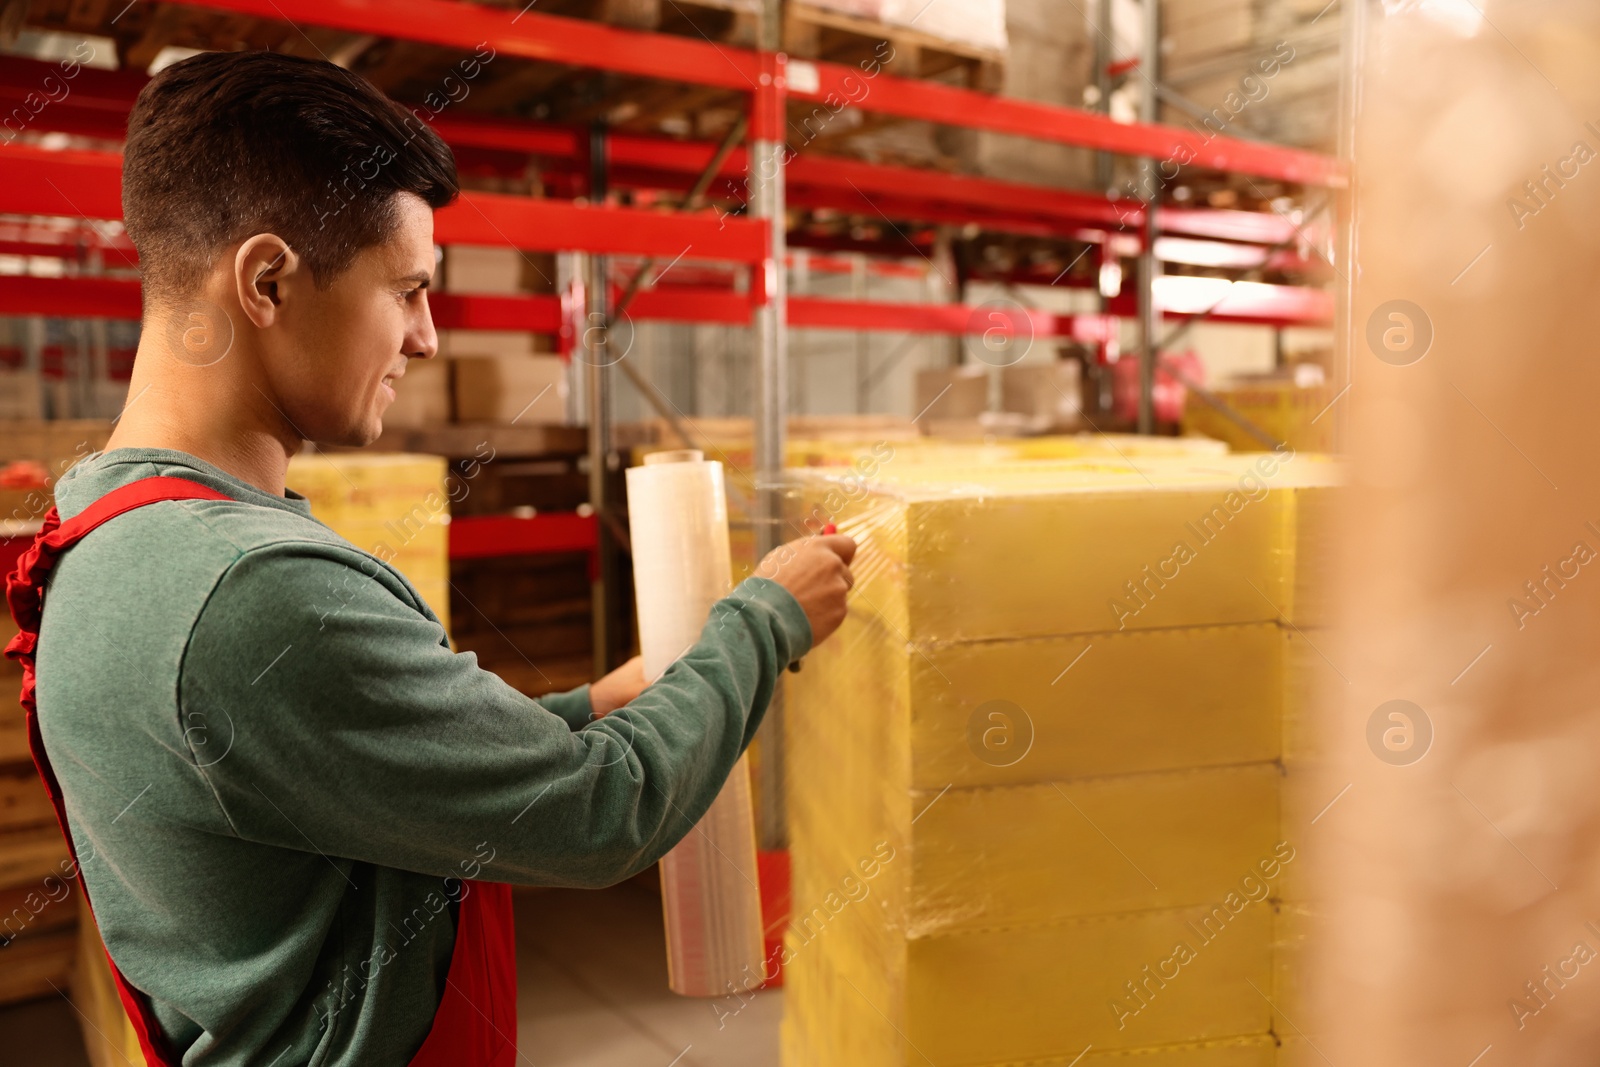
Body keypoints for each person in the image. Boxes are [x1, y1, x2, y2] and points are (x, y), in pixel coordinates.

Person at [9, 50, 855, 1065]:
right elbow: (603, 809)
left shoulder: (108, 529)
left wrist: (598, 701)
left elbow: (337, 760)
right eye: (408, 290)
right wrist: (766, 616)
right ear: (268, 280)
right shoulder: (247, 591)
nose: (427, 338)